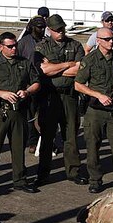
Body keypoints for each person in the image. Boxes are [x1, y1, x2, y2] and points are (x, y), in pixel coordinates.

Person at [0, 32, 43, 196]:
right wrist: (1, 93)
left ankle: (20, 180)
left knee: (19, 148)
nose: (14, 49)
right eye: (10, 46)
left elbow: (36, 83)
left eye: (15, 46)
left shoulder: (24, 63)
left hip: (18, 112)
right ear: (1, 47)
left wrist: (26, 91)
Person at [76, 26, 113, 193]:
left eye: (112, 39)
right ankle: (95, 180)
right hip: (95, 111)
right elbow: (78, 84)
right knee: (93, 148)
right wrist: (97, 94)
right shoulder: (90, 60)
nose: (111, 42)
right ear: (98, 41)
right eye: (107, 39)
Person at [36, 14, 87, 185]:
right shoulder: (42, 46)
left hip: (69, 96)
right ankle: (43, 174)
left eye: (62, 28)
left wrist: (54, 67)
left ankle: (73, 171)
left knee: (70, 135)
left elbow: (80, 70)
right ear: (49, 30)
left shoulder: (75, 45)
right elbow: (43, 70)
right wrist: (67, 64)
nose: (61, 32)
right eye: (57, 30)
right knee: (47, 137)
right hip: (49, 96)